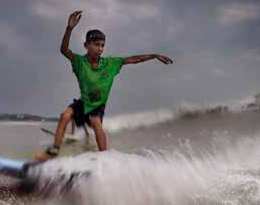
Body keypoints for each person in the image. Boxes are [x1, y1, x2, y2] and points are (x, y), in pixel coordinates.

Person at [34, 10, 173, 161]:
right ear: (86, 45)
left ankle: (104, 158)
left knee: (96, 123)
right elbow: (64, 50)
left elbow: (133, 59)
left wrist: (154, 55)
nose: (100, 48)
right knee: (65, 115)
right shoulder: (79, 62)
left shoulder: (110, 64)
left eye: (102, 45)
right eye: (96, 44)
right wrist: (69, 28)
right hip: (83, 102)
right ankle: (53, 152)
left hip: (97, 105)